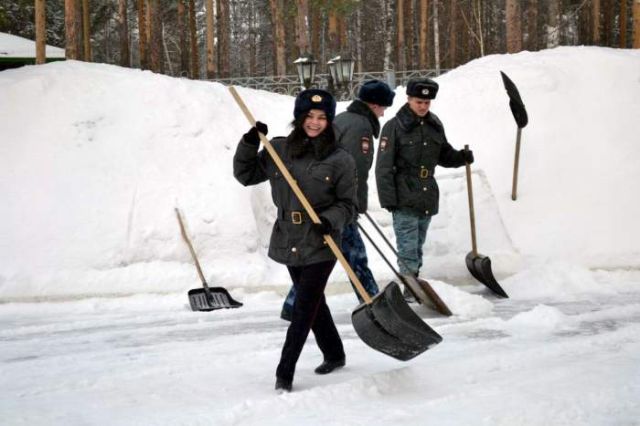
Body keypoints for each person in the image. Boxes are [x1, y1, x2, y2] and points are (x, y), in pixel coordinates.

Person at [233, 89, 357, 393]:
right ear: (299, 118)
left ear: (329, 121)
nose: (314, 123)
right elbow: (246, 175)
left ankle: (284, 373)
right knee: (313, 299)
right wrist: (250, 144)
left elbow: (349, 205)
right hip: (289, 237)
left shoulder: (340, 159)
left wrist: (330, 219)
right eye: (309, 116)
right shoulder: (279, 150)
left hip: (321, 240)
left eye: (322, 117)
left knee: (303, 308)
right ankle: (335, 353)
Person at [280, 80, 396, 320]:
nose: (384, 112)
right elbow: (354, 171)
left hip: (328, 207)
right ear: (374, 105)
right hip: (337, 209)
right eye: (383, 107)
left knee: (320, 260)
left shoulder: (344, 118)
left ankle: (293, 306)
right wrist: (352, 206)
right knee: (355, 258)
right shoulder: (361, 126)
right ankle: (373, 304)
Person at [375, 77, 473, 298]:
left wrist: (461, 157)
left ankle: (413, 286)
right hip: (403, 194)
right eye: (419, 101)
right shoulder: (394, 127)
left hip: (427, 194)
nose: (423, 106)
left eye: (427, 103)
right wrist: (389, 199)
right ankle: (409, 291)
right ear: (409, 98)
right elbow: (383, 166)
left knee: (417, 246)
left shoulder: (434, 124)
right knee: (407, 249)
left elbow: (444, 154)